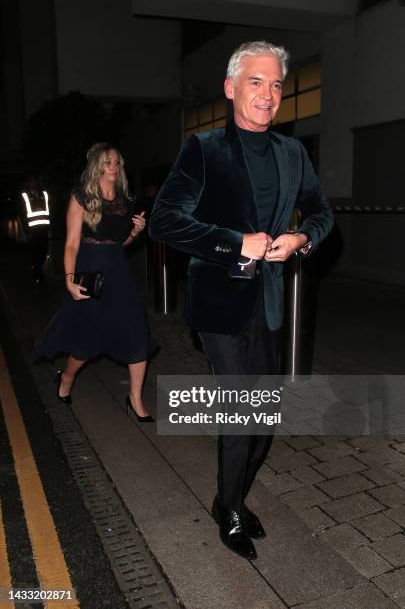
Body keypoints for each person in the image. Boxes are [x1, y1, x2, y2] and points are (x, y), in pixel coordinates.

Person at [149, 41, 333, 559]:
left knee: (267, 414)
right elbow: (165, 221)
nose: (268, 95)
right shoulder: (203, 149)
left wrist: (302, 239)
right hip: (221, 303)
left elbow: (321, 210)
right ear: (231, 88)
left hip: (269, 301)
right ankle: (230, 506)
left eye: (276, 85)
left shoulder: (292, 153)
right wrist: (235, 242)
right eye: (256, 82)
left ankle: (231, 494)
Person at [35, 142, 155, 422]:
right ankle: (66, 378)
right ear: (97, 166)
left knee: (137, 331)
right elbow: (72, 244)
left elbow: (118, 243)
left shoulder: (125, 199)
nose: (113, 166)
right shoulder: (81, 197)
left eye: (117, 162)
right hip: (89, 271)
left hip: (119, 273)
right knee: (88, 339)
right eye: (108, 162)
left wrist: (135, 232)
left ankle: (135, 399)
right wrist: (69, 280)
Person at [21, 175, 51, 284]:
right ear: (28, 183)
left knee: (44, 251)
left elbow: (49, 211)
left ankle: (38, 269)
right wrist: (26, 231)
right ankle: (37, 274)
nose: (33, 183)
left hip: (44, 229)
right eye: (30, 181)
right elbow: (23, 214)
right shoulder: (24, 196)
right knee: (35, 253)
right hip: (33, 230)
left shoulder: (44, 194)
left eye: (34, 180)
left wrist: (49, 228)